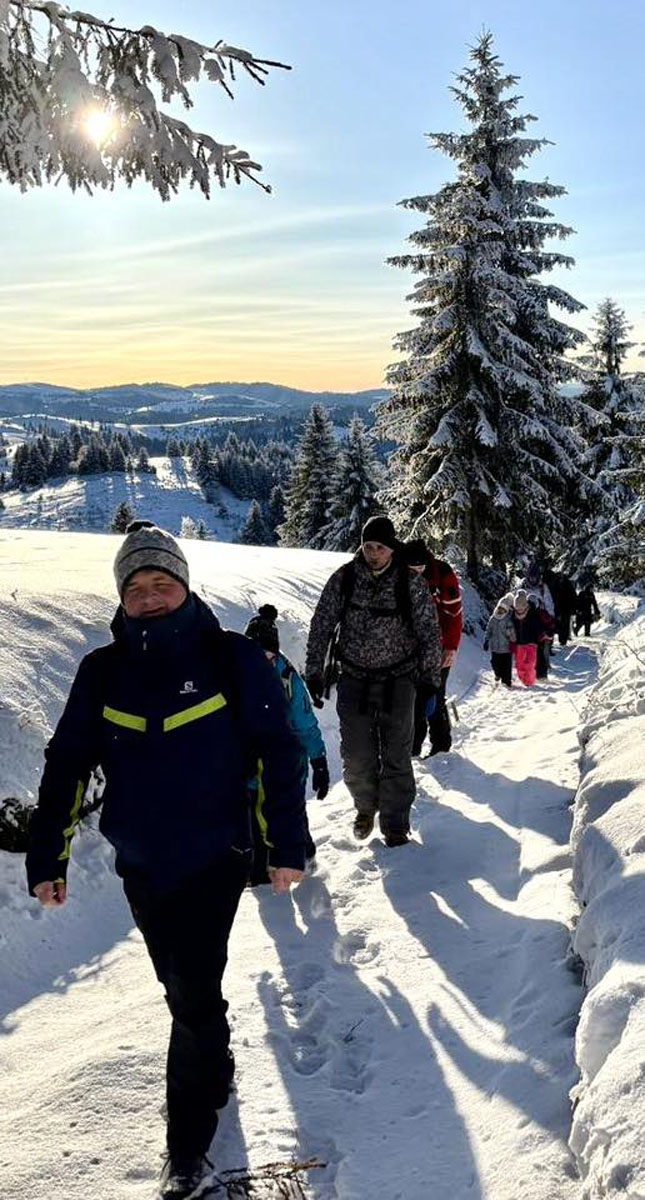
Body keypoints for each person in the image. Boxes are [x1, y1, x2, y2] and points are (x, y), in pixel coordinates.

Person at [25, 521, 306, 1200]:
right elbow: (66, 764)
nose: (149, 597)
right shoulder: (102, 671)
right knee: (180, 987)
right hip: (141, 863)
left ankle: (187, 1149)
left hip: (216, 855)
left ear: (183, 584)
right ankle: (215, 1061)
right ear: (121, 598)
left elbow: (279, 749)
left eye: (161, 583)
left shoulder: (230, 657)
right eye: (136, 588)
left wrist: (285, 845)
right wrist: (48, 856)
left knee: (192, 991)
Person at [305, 514, 441, 848]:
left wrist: (430, 680)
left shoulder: (410, 583)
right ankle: (366, 808)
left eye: (380, 547)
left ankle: (395, 825)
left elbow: (429, 632)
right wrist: (314, 671)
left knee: (396, 754)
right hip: (354, 678)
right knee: (355, 755)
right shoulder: (345, 578)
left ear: (392, 547)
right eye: (368, 546)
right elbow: (322, 623)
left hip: (399, 679)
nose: (373, 553)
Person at [244, 604, 329, 883]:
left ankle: (305, 854)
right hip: (249, 764)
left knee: (287, 813)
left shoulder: (288, 679)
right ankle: (259, 875)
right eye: (255, 654)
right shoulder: (235, 675)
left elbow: (305, 724)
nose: (262, 661)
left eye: (267, 655)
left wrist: (318, 760)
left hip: (285, 763)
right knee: (252, 817)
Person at [401, 539, 463, 755]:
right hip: (410, 649)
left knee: (434, 694)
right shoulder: (398, 575)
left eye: (420, 567)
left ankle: (441, 744)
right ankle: (413, 747)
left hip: (439, 646)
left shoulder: (442, 573)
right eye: (412, 568)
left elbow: (454, 615)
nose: (417, 572)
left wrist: (451, 647)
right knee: (412, 698)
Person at [521, 562, 555, 679]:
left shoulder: (542, 588)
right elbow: (515, 599)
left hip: (541, 620)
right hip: (525, 619)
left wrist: (550, 616)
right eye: (531, 577)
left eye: (534, 577)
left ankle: (541, 673)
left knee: (541, 647)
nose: (533, 580)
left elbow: (549, 602)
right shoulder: (522, 586)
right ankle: (527, 672)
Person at [483, 593, 516, 687]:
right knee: (495, 663)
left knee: (506, 666)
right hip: (495, 648)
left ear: (506, 610)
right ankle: (498, 674)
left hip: (506, 648)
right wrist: (486, 640)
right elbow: (488, 630)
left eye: (503, 609)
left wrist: (510, 632)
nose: (501, 610)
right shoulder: (493, 619)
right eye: (500, 608)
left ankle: (507, 681)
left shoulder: (508, 619)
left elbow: (513, 634)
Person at [511, 589, 542, 687]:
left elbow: (539, 627)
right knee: (519, 665)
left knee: (530, 663)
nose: (519, 611)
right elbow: (511, 627)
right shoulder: (513, 616)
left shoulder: (533, 614)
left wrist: (538, 637)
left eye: (521, 608)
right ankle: (523, 679)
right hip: (519, 643)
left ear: (525, 606)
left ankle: (530, 682)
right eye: (517, 609)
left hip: (532, 642)